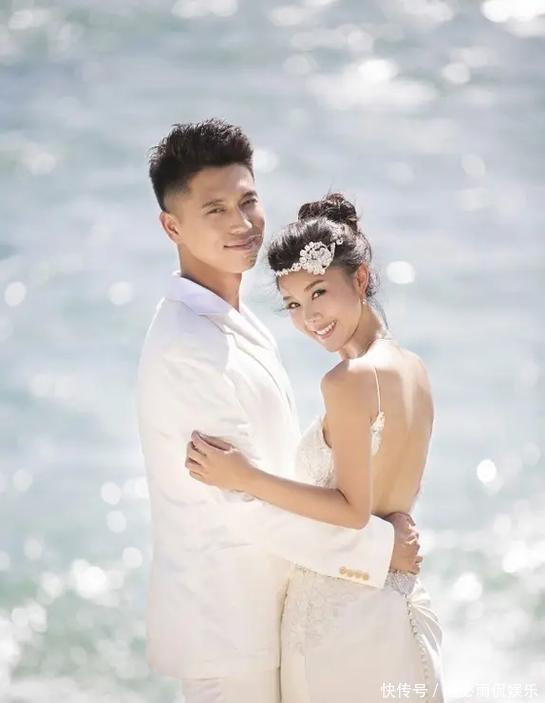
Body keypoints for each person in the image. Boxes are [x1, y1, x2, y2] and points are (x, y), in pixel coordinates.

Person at [137, 119, 422, 703]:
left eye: (248, 201)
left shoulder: (235, 319)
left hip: (277, 619)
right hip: (230, 634)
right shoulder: (189, 347)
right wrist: (378, 551)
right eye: (215, 210)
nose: (242, 224)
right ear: (172, 226)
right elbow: (238, 503)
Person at [186, 193, 444, 702]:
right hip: (401, 609)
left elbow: (351, 509)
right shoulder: (415, 370)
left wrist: (244, 477)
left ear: (361, 279)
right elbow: (390, 499)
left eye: (319, 292)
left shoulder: (348, 380)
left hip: (342, 625)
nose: (309, 317)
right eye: (293, 305)